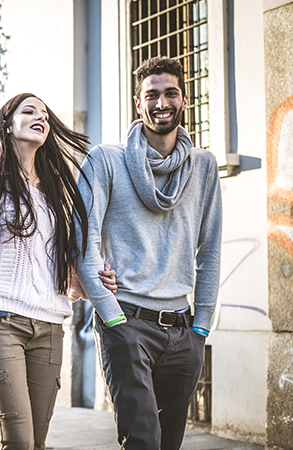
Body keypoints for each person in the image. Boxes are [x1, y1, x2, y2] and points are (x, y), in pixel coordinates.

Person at [74, 56, 222, 450]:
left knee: (168, 442)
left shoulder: (204, 166)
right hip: (128, 323)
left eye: (170, 93)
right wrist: (112, 318)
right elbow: (82, 244)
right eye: (151, 95)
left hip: (183, 328)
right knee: (143, 440)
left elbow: (210, 251)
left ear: (185, 99)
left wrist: (202, 329)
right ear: (138, 104)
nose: (162, 103)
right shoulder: (105, 160)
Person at [0, 93, 117, 450]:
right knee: (19, 441)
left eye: (45, 114)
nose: (41, 117)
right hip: (0, 321)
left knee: (37, 443)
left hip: (51, 327)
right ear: (7, 125)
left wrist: (96, 281)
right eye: (29, 111)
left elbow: (66, 275)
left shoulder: (57, 196)